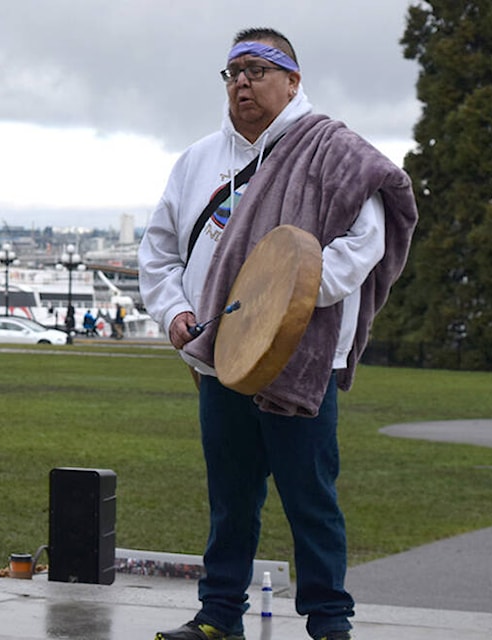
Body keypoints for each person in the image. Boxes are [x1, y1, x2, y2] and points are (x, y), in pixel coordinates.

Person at [138, 28, 417, 640]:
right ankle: (218, 617)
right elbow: (158, 254)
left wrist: (279, 306)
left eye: (258, 69)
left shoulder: (331, 151)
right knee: (230, 499)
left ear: (293, 81)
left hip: (300, 355)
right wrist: (174, 314)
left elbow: (362, 245)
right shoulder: (196, 161)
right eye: (233, 70)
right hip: (220, 358)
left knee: (309, 498)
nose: (242, 80)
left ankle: (328, 623)